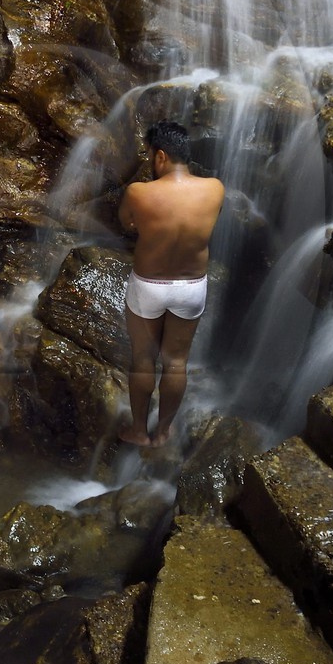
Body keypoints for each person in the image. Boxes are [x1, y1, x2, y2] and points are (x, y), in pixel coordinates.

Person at [117, 121, 225, 447]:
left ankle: (139, 431)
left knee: (143, 359)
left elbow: (127, 223)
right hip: (191, 288)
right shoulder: (215, 188)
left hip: (148, 284)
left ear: (160, 156)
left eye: (150, 155)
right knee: (176, 362)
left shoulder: (138, 192)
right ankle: (163, 433)